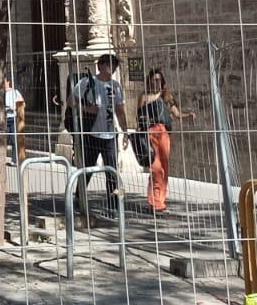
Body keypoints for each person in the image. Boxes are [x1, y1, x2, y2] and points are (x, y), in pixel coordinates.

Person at [76, 54, 129, 215]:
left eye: (113, 65)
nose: (110, 68)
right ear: (100, 66)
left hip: (110, 134)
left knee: (112, 170)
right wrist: (87, 109)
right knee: (87, 169)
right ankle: (79, 198)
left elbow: (120, 110)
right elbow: (72, 101)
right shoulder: (87, 82)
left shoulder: (116, 86)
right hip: (92, 133)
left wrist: (125, 131)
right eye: (107, 64)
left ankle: (113, 205)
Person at [137, 69, 195, 214]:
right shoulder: (144, 96)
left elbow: (176, 114)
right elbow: (139, 117)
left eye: (159, 79)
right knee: (155, 168)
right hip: (149, 132)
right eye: (154, 79)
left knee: (164, 168)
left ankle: (159, 201)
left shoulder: (166, 96)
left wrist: (188, 115)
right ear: (149, 80)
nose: (157, 82)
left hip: (163, 133)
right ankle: (154, 202)